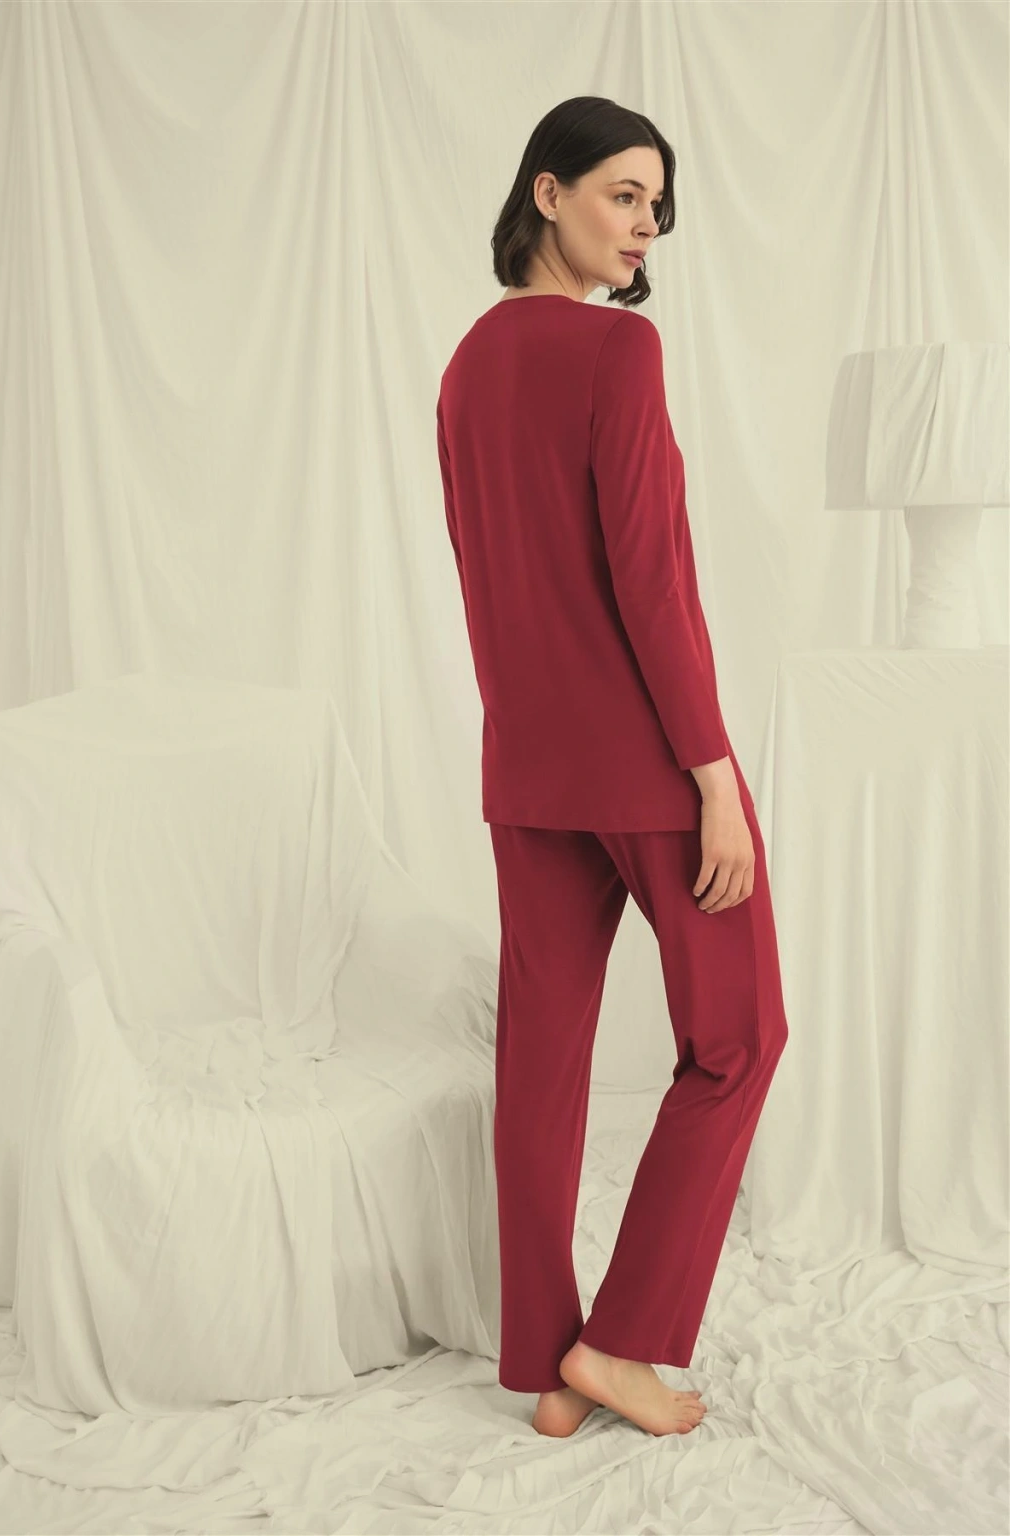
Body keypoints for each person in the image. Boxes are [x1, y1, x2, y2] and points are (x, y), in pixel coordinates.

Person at [435, 97, 789, 1439]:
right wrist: (713, 774)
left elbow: (487, 584)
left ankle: (544, 1365)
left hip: (527, 767)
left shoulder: (468, 365)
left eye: (657, 203)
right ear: (548, 191)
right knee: (741, 1039)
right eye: (623, 194)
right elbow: (651, 581)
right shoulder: (616, 351)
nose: (647, 225)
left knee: (542, 1066)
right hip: (647, 761)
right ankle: (622, 1344)